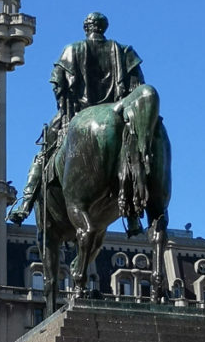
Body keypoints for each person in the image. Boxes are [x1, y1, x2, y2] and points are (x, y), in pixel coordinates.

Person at [8, 12, 144, 226]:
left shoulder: (72, 50)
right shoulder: (124, 51)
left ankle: (25, 204)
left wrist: (65, 111)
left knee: (43, 155)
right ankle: (134, 217)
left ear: (86, 28)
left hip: (78, 115)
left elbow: (58, 85)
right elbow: (137, 87)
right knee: (132, 155)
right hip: (119, 113)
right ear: (104, 27)